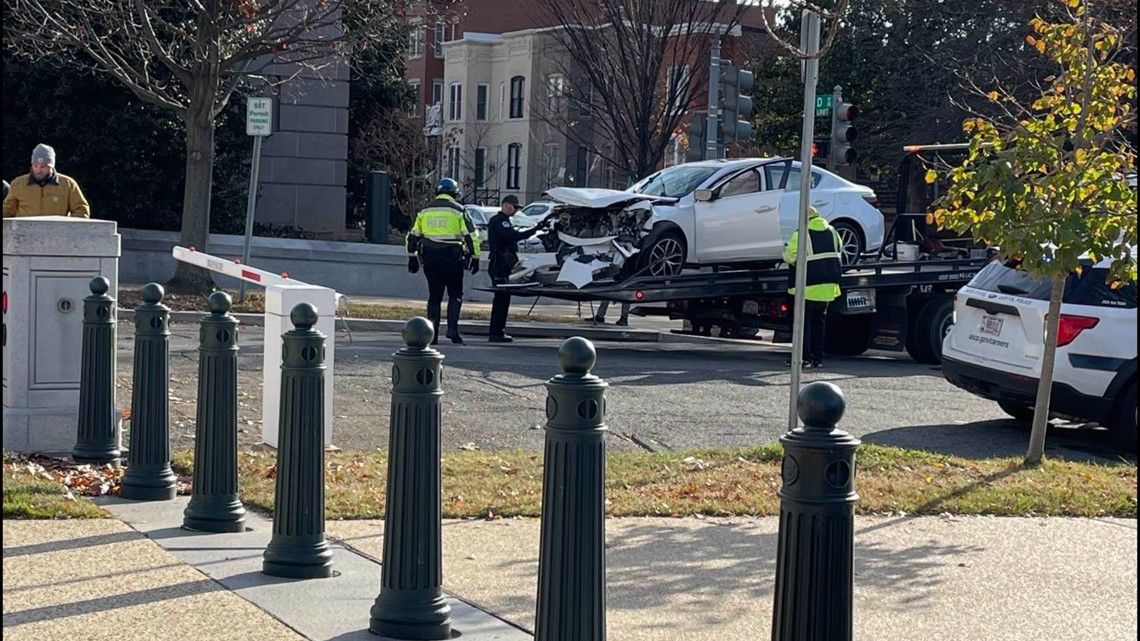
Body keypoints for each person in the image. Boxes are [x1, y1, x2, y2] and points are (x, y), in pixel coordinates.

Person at [406, 178, 478, 345]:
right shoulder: (459, 210)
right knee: (455, 294)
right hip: (453, 257)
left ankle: (433, 334)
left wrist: (412, 256)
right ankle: (453, 330)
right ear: (454, 193)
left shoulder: (424, 211)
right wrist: (475, 257)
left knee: (434, 296)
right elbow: (472, 236)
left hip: (431, 257)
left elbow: (412, 237)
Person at [783, 207, 842, 368]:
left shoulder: (801, 233)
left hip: (806, 287)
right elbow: (839, 249)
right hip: (828, 287)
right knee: (819, 323)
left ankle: (804, 358)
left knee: (803, 324)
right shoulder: (832, 231)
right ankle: (817, 358)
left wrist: (785, 248)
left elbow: (789, 256)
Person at [487, 195, 550, 342]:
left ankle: (497, 331)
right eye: (515, 208)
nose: (516, 211)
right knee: (501, 299)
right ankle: (496, 332)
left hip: (500, 263)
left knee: (502, 299)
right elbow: (512, 237)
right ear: (507, 206)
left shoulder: (500, 221)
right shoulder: (500, 221)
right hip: (499, 264)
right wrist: (534, 230)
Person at [3, 144, 91, 218]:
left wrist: (67, 229)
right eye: (35, 166)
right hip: (25, 236)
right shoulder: (18, 184)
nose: (38, 170)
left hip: (57, 236)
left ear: (51, 167)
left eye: (43, 167)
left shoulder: (68, 185)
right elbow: (7, 211)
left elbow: (81, 210)